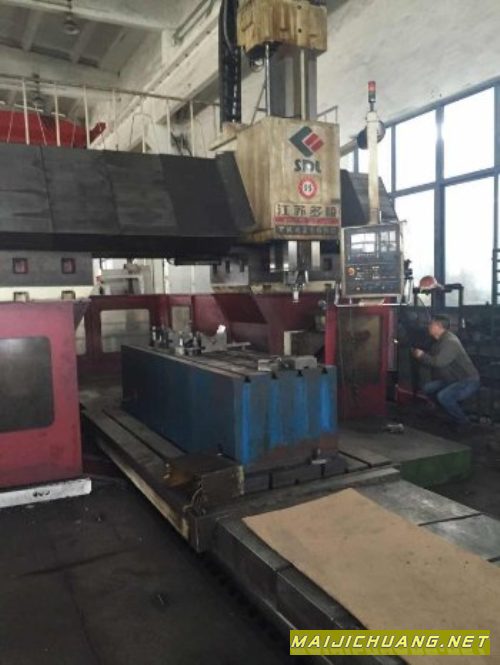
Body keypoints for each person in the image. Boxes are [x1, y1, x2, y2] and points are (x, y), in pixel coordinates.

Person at [412, 315, 480, 428]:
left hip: (467, 380)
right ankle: (445, 412)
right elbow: (432, 358)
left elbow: (439, 362)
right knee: (428, 388)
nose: (428, 326)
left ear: (439, 326)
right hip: (452, 379)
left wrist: (422, 355)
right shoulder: (439, 341)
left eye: (431, 324)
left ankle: (463, 422)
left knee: (444, 396)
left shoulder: (450, 342)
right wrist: (421, 355)